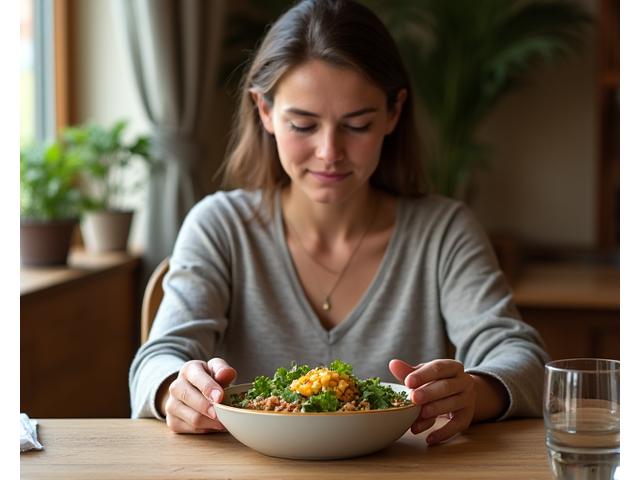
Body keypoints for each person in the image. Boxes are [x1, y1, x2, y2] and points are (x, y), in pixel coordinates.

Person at [129, 0, 549, 444]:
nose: (330, 152)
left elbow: (521, 357)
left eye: (358, 125)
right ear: (265, 112)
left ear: (393, 113)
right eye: (304, 125)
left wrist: (475, 393)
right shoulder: (220, 226)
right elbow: (159, 359)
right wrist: (175, 389)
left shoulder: (443, 231)